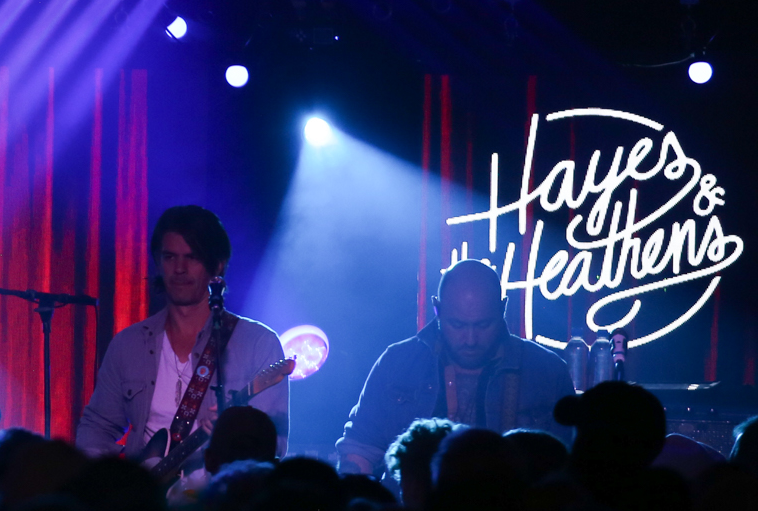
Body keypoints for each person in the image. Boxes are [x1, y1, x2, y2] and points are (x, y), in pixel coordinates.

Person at [76, 206, 289, 486]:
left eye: (192, 257)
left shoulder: (258, 343)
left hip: (219, 505)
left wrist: (230, 437)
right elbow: (95, 430)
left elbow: (273, 445)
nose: (179, 269)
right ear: (158, 261)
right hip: (146, 506)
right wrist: (121, 478)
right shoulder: (128, 345)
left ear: (218, 265)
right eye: (170, 257)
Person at [334, 258, 573, 477]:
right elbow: (361, 447)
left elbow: (566, 466)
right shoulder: (397, 362)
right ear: (437, 309)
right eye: (457, 324)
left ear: (502, 309)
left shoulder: (548, 371)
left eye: (483, 325)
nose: (470, 339)